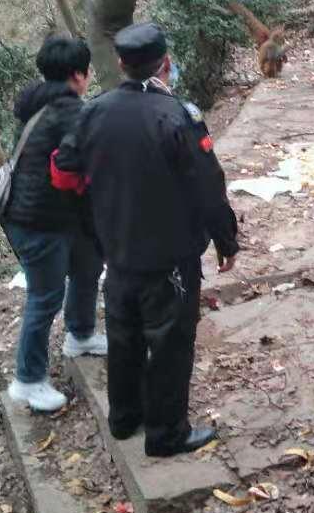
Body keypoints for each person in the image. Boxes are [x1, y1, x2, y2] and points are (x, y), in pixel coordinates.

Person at [51, 23, 239, 458]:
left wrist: (99, 215)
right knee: (171, 344)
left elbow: (62, 172)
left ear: (119, 65)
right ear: (166, 64)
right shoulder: (177, 115)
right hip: (169, 258)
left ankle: (124, 417)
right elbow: (207, 185)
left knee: (124, 337)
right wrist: (225, 240)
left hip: (116, 255)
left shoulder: (92, 112)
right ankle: (167, 433)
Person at [4, 35, 106, 414]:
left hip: (51, 216)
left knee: (87, 264)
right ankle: (27, 380)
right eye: (88, 69)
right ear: (78, 75)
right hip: (38, 222)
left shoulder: (39, 101)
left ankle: (80, 334)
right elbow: (80, 165)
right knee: (45, 297)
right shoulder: (69, 111)